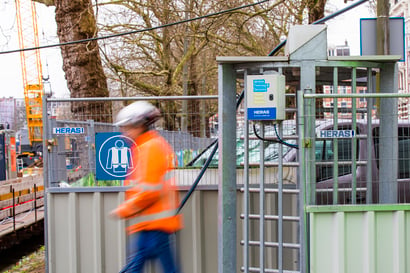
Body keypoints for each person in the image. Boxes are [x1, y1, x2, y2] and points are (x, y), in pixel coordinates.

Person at [110, 101, 183, 273]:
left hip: (153, 225)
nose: (124, 133)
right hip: (152, 224)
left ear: (139, 125)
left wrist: (124, 210)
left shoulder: (150, 148)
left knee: (134, 267)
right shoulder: (149, 145)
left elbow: (150, 191)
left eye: (127, 127)